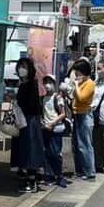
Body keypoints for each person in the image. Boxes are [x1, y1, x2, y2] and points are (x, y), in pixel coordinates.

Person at [15, 58, 46, 193]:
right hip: (26, 119)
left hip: (30, 120)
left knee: (31, 148)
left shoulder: (32, 84)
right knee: (27, 149)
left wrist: (19, 104)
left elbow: (31, 104)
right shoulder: (24, 83)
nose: (21, 69)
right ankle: (30, 178)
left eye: (24, 67)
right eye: (19, 66)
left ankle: (31, 181)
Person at [41, 74, 69, 188]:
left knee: (56, 153)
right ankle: (49, 175)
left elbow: (63, 114)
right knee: (47, 153)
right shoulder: (42, 98)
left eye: (50, 82)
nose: (47, 85)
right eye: (45, 82)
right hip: (46, 128)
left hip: (56, 129)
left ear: (54, 84)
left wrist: (53, 123)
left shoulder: (58, 98)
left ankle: (59, 176)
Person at [70, 60, 96, 180]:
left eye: (78, 72)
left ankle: (89, 172)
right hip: (77, 114)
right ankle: (80, 171)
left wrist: (75, 85)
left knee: (85, 145)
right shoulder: (81, 83)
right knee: (77, 144)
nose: (76, 75)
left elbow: (81, 98)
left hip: (85, 115)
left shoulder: (90, 83)